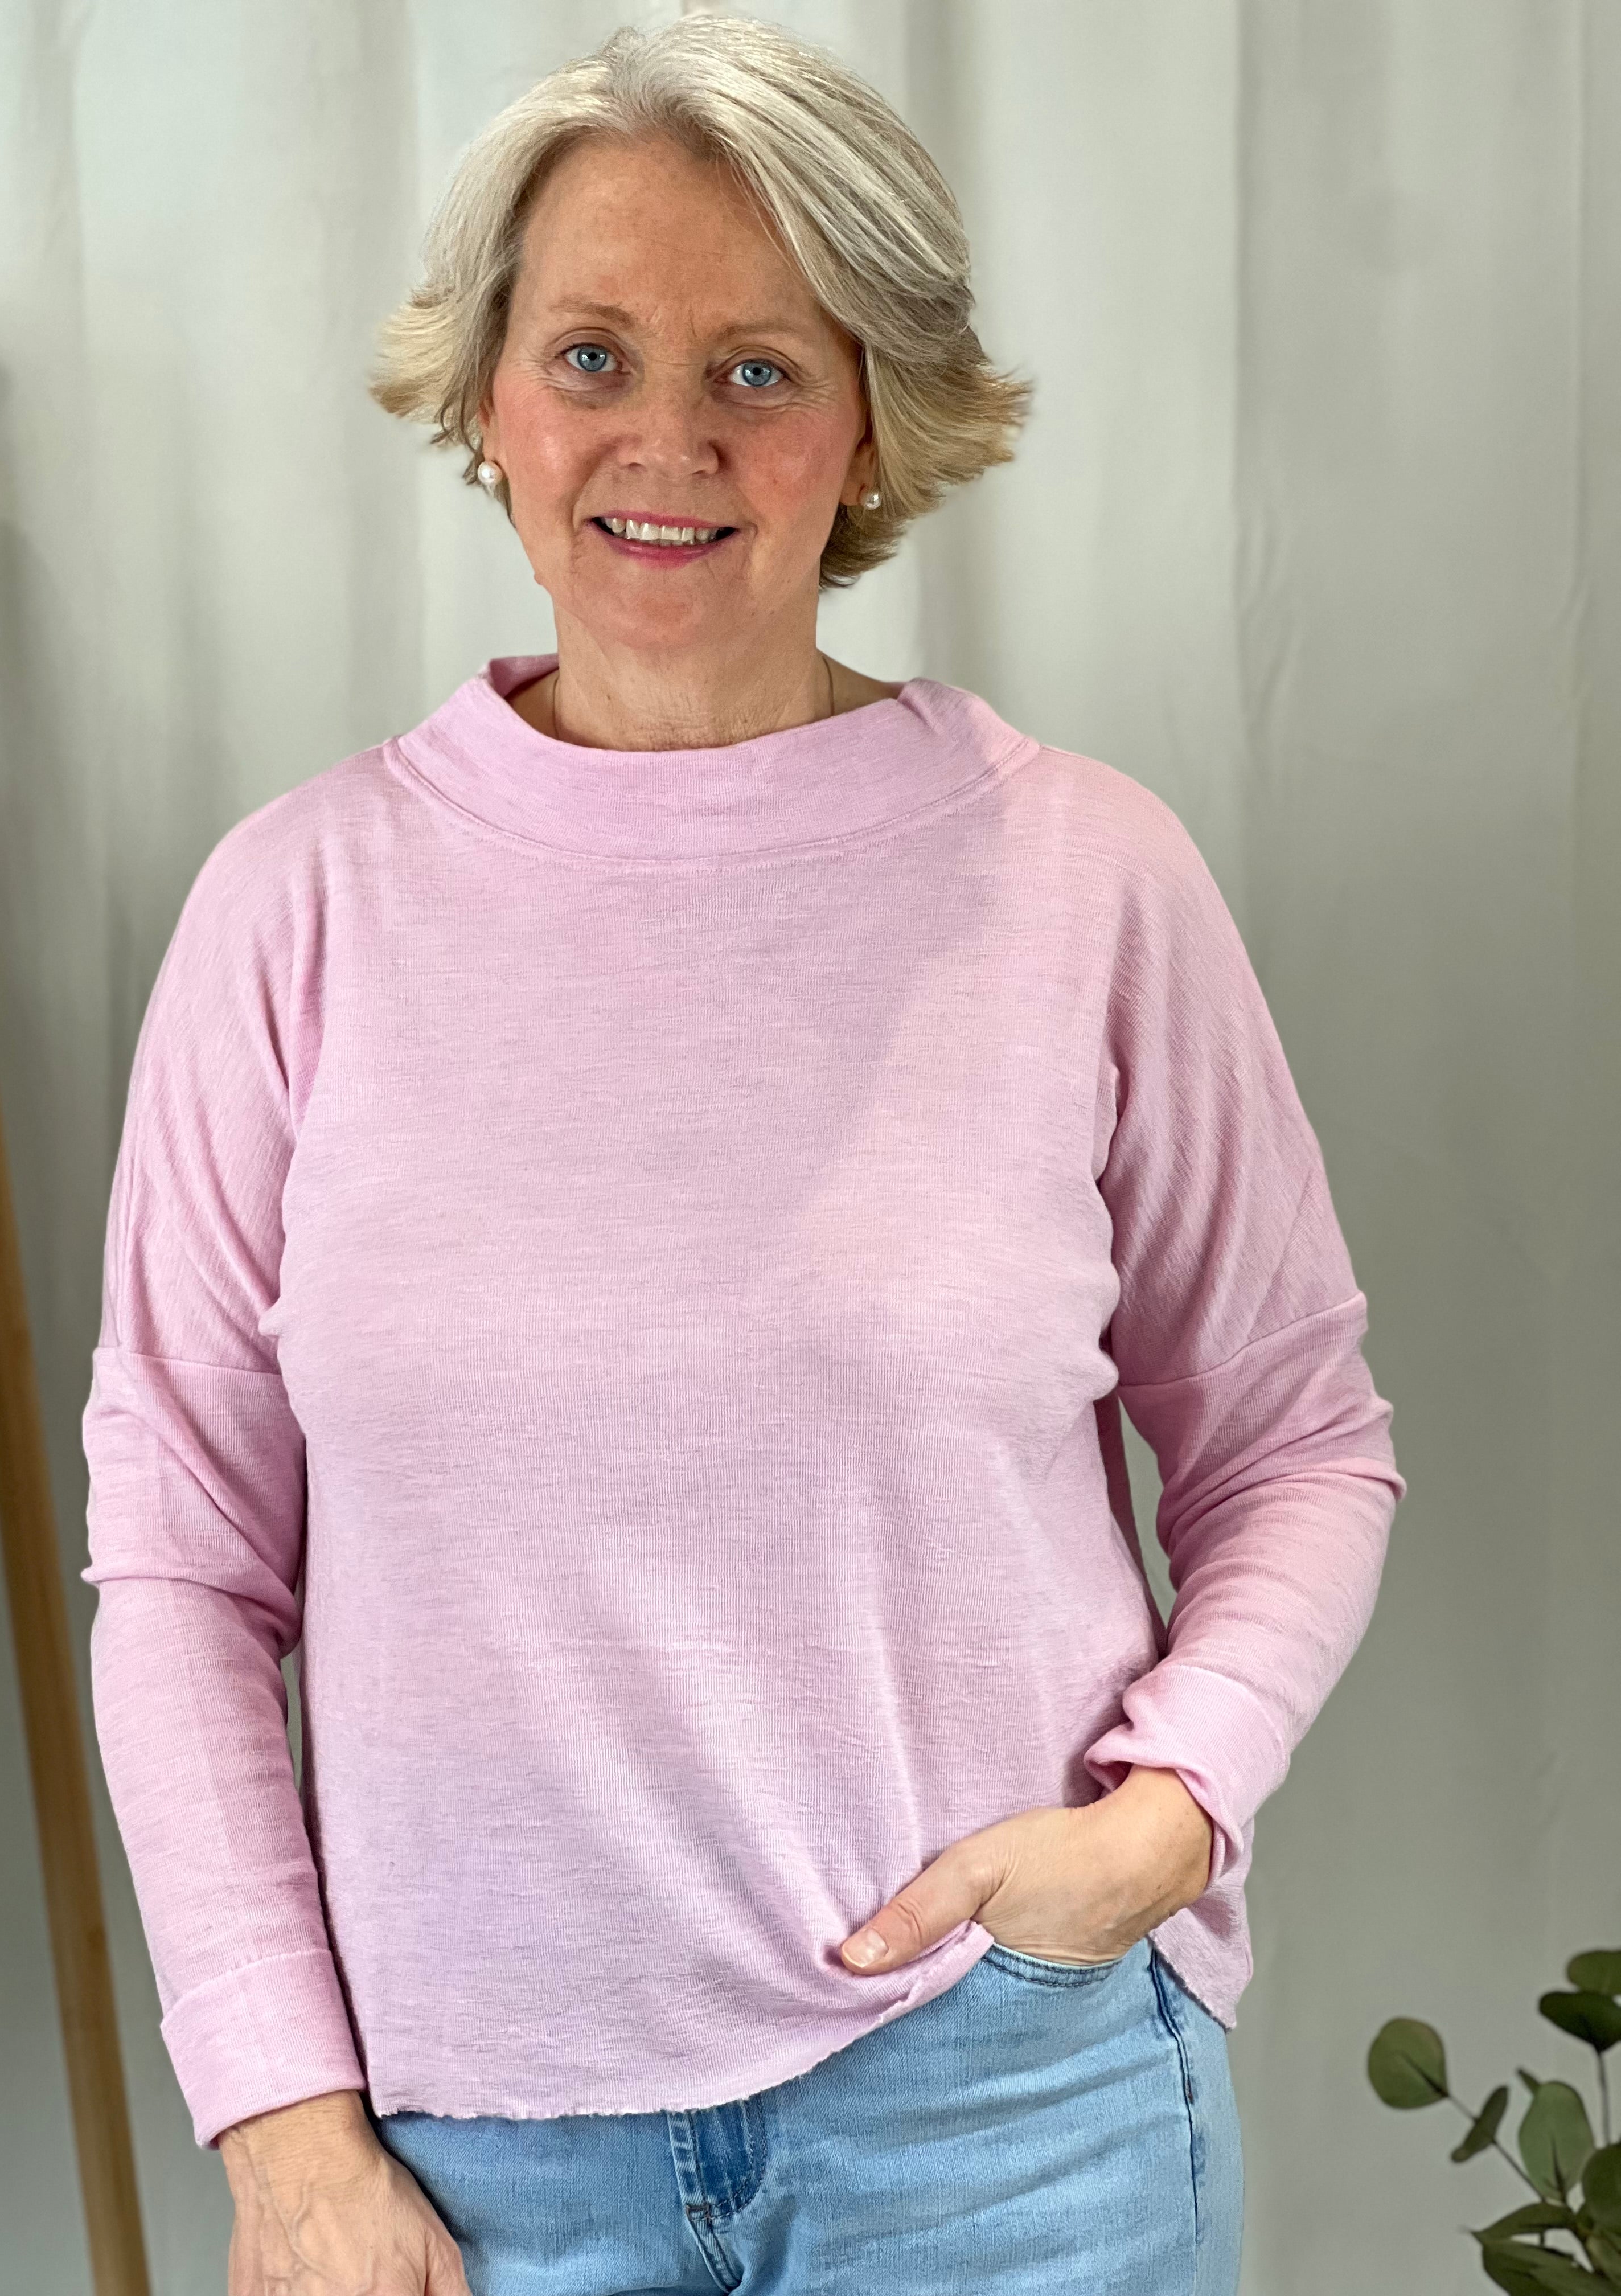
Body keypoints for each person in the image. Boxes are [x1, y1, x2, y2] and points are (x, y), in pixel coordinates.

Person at [81, 16, 1404, 2294]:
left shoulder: (1083, 878)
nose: (666, 441)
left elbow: (1298, 1444)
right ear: (492, 397)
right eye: (591, 354)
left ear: (874, 413)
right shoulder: (293, 913)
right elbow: (188, 1564)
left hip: (1003, 2125)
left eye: (761, 370)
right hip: (466, 2162)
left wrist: (1168, 1817)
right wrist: (281, 2123)